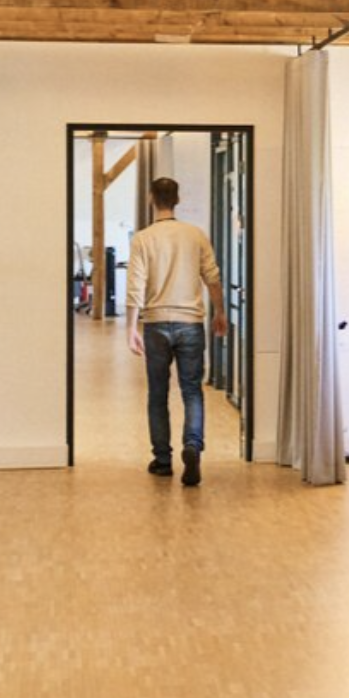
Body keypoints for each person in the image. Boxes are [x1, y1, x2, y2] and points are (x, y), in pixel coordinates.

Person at [126, 176, 228, 487]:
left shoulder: (143, 239)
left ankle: (162, 461)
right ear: (178, 199)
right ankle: (192, 446)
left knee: (158, 394)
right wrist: (220, 312)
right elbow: (212, 277)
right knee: (192, 390)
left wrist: (130, 328)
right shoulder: (196, 235)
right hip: (191, 324)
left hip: (156, 324)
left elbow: (135, 286)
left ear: (150, 198)